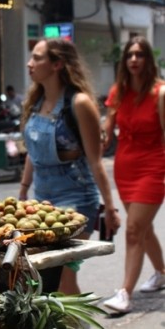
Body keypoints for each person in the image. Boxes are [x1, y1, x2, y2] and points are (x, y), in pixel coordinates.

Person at [18, 38, 121, 295]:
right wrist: (23, 190)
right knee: (46, 280)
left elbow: (96, 162)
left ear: (57, 64)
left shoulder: (79, 103)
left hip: (76, 199)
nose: (30, 63)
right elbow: (33, 152)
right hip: (42, 202)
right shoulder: (35, 102)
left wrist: (110, 208)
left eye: (38, 57)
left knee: (64, 277)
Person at [102, 36, 165, 313]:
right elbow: (106, 130)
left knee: (133, 229)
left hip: (154, 167)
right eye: (130, 55)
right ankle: (162, 272)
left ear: (148, 59)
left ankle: (125, 292)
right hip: (124, 167)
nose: (134, 60)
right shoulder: (119, 91)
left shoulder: (160, 93)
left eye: (140, 55)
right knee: (144, 228)